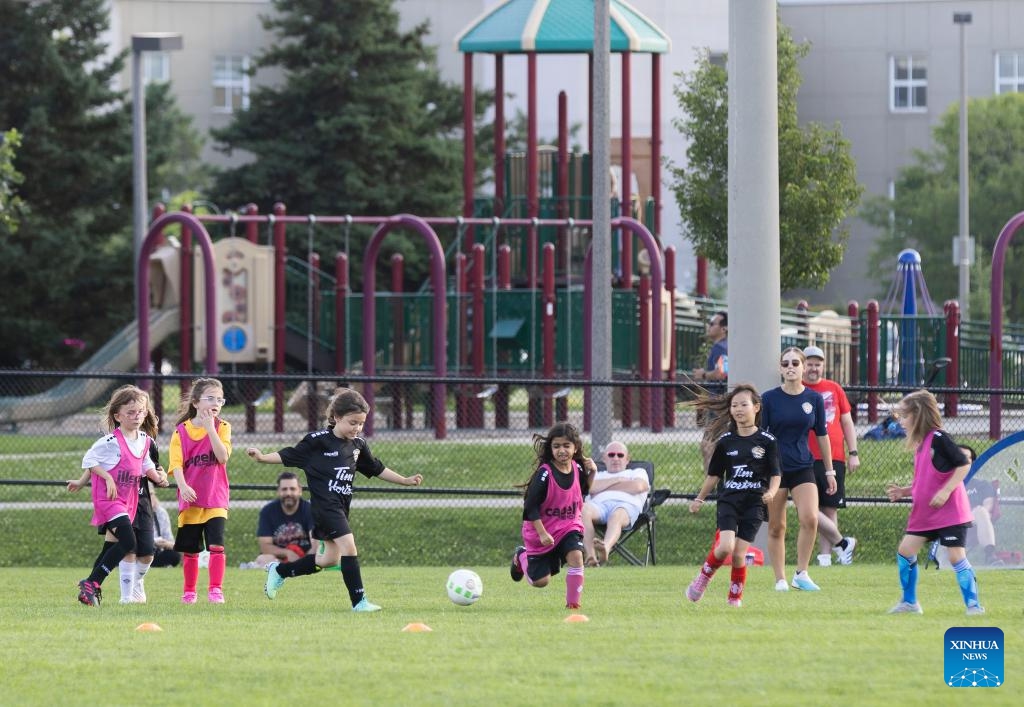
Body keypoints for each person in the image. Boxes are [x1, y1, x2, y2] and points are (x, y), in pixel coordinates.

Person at [246, 387, 423, 612]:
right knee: (349, 548)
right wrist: (262, 457)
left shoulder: (358, 446)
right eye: (352, 422)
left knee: (327, 560)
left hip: (340, 507)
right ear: (337, 417)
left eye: (360, 424)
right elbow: (288, 454)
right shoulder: (317, 441)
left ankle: (278, 571)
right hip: (325, 508)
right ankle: (359, 602)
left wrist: (405, 480)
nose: (357, 428)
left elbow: (377, 468)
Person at [885, 390, 982, 615]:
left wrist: (946, 492)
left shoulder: (939, 438)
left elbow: (963, 464)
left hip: (950, 513)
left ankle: (974, 606)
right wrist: (905, 491)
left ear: (918, 415)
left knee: (956, 556)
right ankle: (909, 603)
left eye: (904, 415)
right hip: (925, 514)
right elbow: (927, 481)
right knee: (905, 550)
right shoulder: (920, 445)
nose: (901, 420)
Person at [68, 385, 166, 607]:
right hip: (109, 501)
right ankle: (92, 583)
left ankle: (88, 589)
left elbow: (146, 464)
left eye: (140, 411)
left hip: (129, 502)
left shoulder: (143, 439)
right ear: (117, 416)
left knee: (109, 548)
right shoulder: (110, 441)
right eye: (130, 413)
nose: (137, 416)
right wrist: (107, 478)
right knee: (128, 541)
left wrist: (159, 477)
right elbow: (89, 461)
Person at [686, 384, 781, 607]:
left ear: (756, 408)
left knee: (739, 555)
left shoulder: (768, 441)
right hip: (729, 501)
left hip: (755, 504)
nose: (738, 409)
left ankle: (734, 599)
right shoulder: (726, 441)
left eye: (743, 404)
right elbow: (714, 475)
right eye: (734, 405)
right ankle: (703, 578)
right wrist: (699, 499)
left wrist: (772, 492)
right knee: (725, 547)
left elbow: (776, 473)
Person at [761, 347, 835, 592]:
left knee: (811, 518)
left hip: (804, 465)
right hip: (776, 469)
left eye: (795, 363)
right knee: (776, 526)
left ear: (803, 367)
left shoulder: (813, 399)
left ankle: (801, 574)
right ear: (780, 369)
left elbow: (822, 435)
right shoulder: (770, 398)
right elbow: (761, 435)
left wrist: (829, 470)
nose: (790, 367)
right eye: (785, 364)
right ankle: (780, 579)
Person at [509, 421, 597, 609]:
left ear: (575, 448)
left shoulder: (578, 468)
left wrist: (593, 472)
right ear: (551, 448)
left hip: (568, 526)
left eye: (566, 445)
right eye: (556, 446)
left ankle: (573, 605)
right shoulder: (545, 475)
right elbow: (530, 508)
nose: (561, 450)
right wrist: (542, 533)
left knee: (576, 557)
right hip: (542, 531)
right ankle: (521, 556)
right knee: (540, 581)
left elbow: (582, 491)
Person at [168, 377, 232, 605]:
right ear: (195, 402)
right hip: (191, 499)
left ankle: (215, 590)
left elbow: (222, 456)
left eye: (220, 399)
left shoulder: (222, 427)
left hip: (215, 497)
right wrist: (183, 486)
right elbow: (175, 463)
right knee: (191, 551)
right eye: (210, 398)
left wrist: (209, 428)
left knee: (216, 545)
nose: (216, 403)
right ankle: (189, 592)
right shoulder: (181, 432)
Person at [802, 345, 859, 567]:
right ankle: (843, 543)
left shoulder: (834, 388)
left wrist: (853, 452)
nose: (813, 368)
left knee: (829, 507)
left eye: (817, 364)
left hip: (834, 456)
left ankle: (826, 557)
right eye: (809, 364)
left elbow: (846, 421)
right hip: (805, 457)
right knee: (807, 507)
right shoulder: (797, 389)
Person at [581, 441, 649, 567]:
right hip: (598, 507)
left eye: (620, 455)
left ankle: (605, 548)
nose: (616, 458)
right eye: (611, 455)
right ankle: (590, 556)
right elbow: (590, 489)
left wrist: (601, 487)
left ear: (627, 459)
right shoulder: (596, 474)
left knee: (616, 515)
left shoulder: (638, 472)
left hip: (625, 506)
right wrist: (617, 480)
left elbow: (638, 487)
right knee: (583, 509)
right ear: (604, 458)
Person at [246, 471, 315, 569]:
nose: (288, 493)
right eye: (284, 489)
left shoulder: (310, 510)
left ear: (300, 491)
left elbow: (316, 543)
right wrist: (288, 553)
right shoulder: (268, 511)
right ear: (278, 491)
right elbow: (265, 546)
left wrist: (304, 561)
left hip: (305, 556)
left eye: (292, 489)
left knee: (318, 556)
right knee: (262, 559)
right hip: (279, 559)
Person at [150, 484, 181, 568]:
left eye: (151, 495)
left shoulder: (161, 513)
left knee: (175, 555)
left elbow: (171, 543)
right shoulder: (134, 512)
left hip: (156, 551)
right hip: (139, 551)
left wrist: (165, 544)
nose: (149, 499)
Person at [691, 311, 728, 382]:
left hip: (718, 392)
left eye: (712, 324)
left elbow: (722, 373)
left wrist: (703, 374)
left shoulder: (720, 348)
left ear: (723, 329)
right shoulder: (724, 346)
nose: (708, 326)